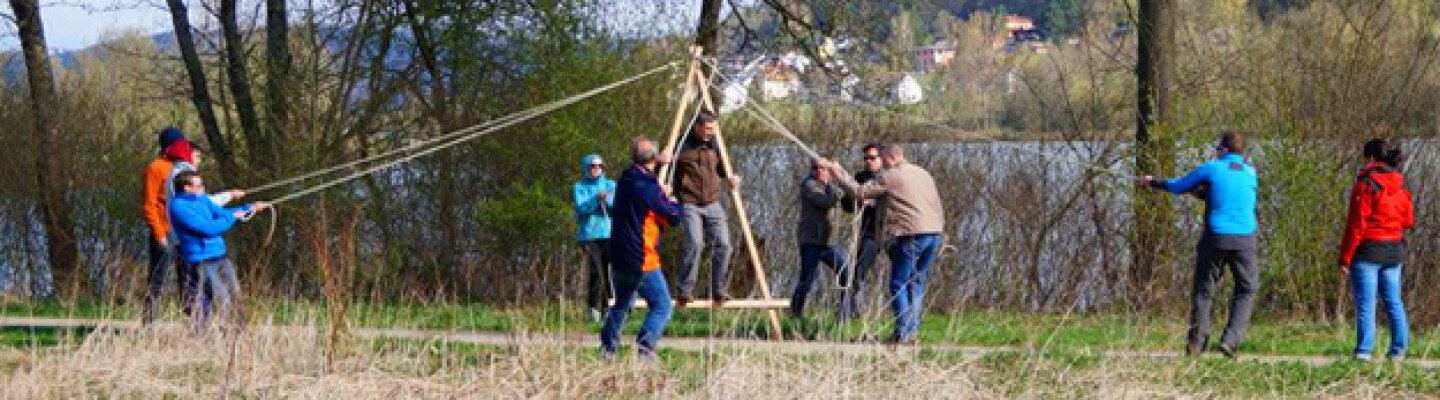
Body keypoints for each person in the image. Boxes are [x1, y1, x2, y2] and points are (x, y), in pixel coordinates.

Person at [1138, 132, 1259, 358]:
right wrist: (1203, 193)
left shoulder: (1212, 168)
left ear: (1222, 150)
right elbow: (1229, 194)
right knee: (1247, 289)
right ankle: (1231, 340)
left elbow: (1178, 186)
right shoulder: (1251, 172)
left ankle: (1196, 345)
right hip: (1245, 238)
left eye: (1217, 149)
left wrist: (1153, 182)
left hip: (1216, 235)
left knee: (1204, 291)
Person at [822, 144, 945, 343]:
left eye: (881, 159)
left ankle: (904, 333)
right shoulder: (923, 174)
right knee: (917, 283)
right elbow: (937, 205)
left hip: (910, 235)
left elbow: (860, 192)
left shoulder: (891, 176)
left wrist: (839, 175)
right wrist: (941, 235)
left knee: (898, 282)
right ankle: (912, 330)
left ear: (890, 157)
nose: (880, 164)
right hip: (934, 233)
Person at [601, 138, 682, 360]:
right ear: (654, 159)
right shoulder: (648, 188)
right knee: (662, 305)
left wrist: (658, 177)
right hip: (641, 258)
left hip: (618, 256)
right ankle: (645, 349)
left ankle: (607, 350)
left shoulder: (626, 178)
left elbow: (646, 193)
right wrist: (671, 199)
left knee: (622, 306)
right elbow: (673, 216)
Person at [1338, 139, 1413, 362]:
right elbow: (1408, 221)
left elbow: (1356, 225)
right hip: (1394, 251)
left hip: (1369, 251)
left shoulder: (1366, 185)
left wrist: (1345, 258)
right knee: (1393, 301)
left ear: (1369, 159)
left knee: (1366, 303)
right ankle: (1398, 351)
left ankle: (1363, 352)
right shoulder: (1400, 186)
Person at [168, 171, 269, 329]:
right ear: (187, 188)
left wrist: (250, 208)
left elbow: (223, 213)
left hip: (220, 256)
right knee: (219, 298)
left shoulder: (203, 200)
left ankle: (240, 330)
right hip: (201, 259)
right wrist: (233, 217)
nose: (203, 188)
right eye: (199, 185)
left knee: (235, 294)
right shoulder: (179, 208)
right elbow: (208, 229)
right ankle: (203, 333)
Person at [671, 110, 741, 306]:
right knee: (695, 243)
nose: (711, 132)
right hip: (689, 201)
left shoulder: (715, 144)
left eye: (713, 129)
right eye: (708, 129)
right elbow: (667, 169)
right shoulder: (682, 144)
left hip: (712, 202)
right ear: (697, 127)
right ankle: (685, 290)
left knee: (724, 245)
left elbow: (724, 169)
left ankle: (719, 289)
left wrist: (732, 177)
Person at [140, 127, 195, 324]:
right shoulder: (155, 168)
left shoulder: (184, 168)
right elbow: (149, 205)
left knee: (189, 278)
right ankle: (149, 322)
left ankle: (193, 322)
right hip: (164, 232)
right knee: (157, 278)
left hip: (184, 233)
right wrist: (158, 233)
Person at [789, 156, 849, 319]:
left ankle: (844, 315)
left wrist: (843, 178)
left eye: (823, 168)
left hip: (830, 242)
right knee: (807, 279)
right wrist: (841, 185)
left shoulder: (831, 184)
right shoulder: (809, 186)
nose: (819, 172)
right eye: (815, 168)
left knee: (846, 271)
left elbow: (849, 199)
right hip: (812, 241)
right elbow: (826, 202)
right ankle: (795, 313)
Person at [838, 143, 886, 321]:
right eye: (866, 158)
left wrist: (874, 204)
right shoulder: (860, 177)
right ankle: (850, 312)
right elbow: (846, 204)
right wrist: (858, 202)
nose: (868, 161)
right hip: (868, 233)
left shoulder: (890, 176)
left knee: (902, 275)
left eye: (872, 158)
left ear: (882, 159)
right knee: (857, 272)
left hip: (889, 232)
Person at [573, 153, 617, 322]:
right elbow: (581, 208)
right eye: (592, 166)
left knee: (609, 271)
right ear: (586, 168)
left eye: (598, 166)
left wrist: (607, 201)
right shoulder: (579, 187)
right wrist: (595, 201)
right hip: (589, 235)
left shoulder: (611, 185)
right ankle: (592, 307)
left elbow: (617, 208)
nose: (595, 169)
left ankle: (608, 307)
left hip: (609, 233)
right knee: (595, 271)